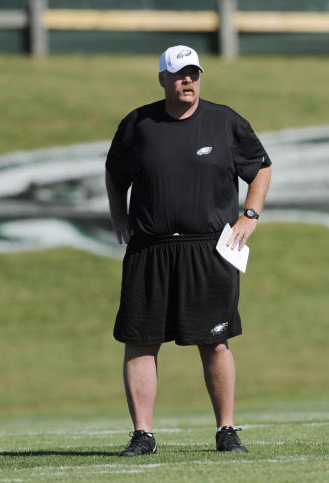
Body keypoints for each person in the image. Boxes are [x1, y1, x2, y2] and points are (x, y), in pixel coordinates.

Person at [104, 45, 272, 456]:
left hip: (209, 250)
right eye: (179, 74)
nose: (188, 81)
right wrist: (119, 217)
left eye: (194, 73)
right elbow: (114, 172)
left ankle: (226, 430)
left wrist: (250, 214)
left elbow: (261, 166)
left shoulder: (224, 121)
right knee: (141, 340)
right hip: (150, 249)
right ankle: (143, 434)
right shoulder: (138, 124)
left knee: (215, 342)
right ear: (162, 78)